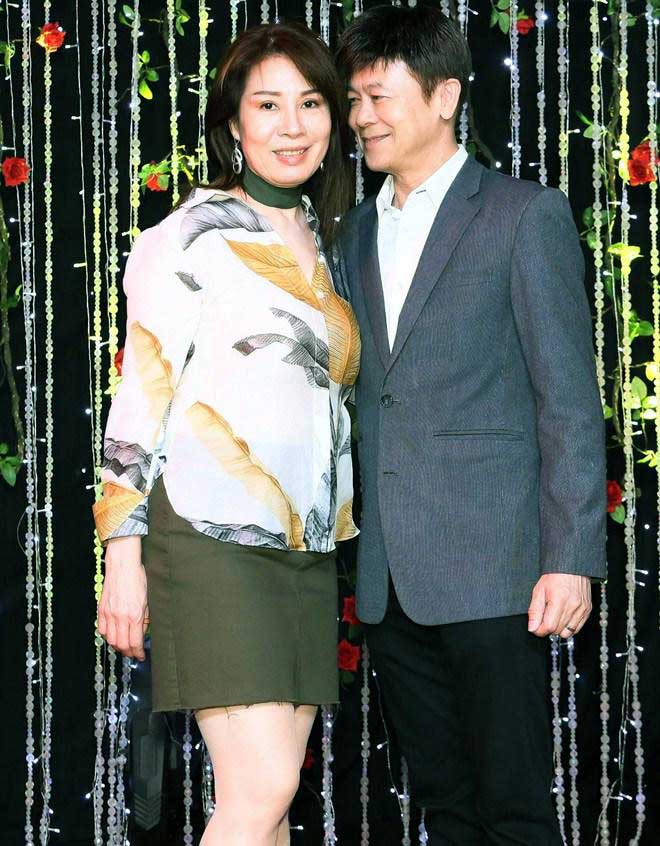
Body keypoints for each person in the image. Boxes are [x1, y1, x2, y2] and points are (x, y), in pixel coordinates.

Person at [333, 5, 606, 844]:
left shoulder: (524, 215)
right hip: (388, 579)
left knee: (515, 813)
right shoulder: (352, 231)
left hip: (497, 570)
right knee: (444, 810)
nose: (361, 117)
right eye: (354, 99)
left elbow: (568, 400)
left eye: (379, 97)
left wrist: (571, 558)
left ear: (445, 95)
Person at [93, 21, 360, 846]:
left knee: (271, 801)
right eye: (268, 105)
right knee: (263, 787)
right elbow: (140, 397)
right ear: (233, 123)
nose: (292, 125)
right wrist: (122, 558)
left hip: (308, 547)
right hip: (211, 536)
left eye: (311, 103)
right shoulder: (188, 235)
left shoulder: (326, 241)